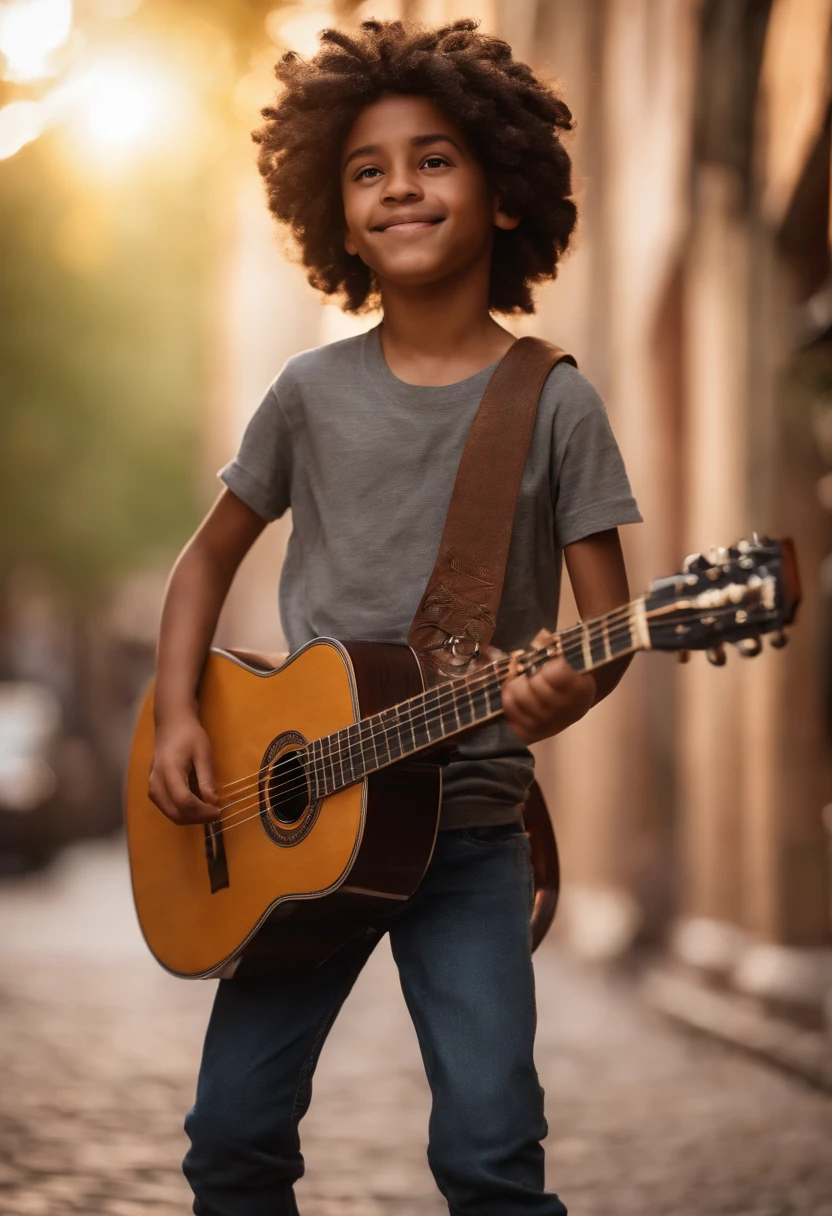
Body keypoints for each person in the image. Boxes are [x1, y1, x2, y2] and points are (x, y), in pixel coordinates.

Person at [148, 18, 642, 1216]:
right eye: (367, 170)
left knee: (487, 1158)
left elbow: (609, 628)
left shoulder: (554, 402)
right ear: (336, 213)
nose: (399, 189)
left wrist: (567, 688)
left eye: (434, 159)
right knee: (232, 1141)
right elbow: (204, 561)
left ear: (505, 192)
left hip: (467, 837)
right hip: (289, 841)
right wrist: (177, 715)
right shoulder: (308, 395)